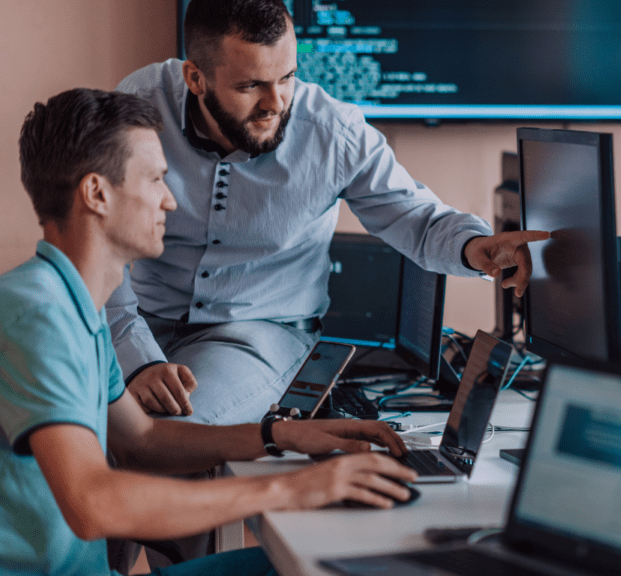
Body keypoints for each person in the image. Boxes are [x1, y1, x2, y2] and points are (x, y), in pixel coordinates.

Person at [1, 87, 417, 576]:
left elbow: (143, 442)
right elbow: (94, 504)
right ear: (97, 193)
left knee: (323, 560)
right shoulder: (38, 314)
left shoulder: (77, 308)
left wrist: (281, 435)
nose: (170, 200)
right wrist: (297, 488)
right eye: (156, 179)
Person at [108, 0, 549, 426]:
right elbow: (96, 241)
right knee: (67, 419)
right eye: (250, 86)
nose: (276, 103)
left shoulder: (332, 132)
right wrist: (135, 356)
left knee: (167, 429)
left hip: (259, 332)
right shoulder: (137, 110)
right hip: (140, 319)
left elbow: (415, 216)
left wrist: (476, 246)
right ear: (195, 78)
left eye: (287, 78)